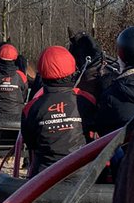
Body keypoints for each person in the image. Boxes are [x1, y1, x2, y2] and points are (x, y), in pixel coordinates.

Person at [21, 46, 86, 176]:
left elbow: (30, 143)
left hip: (44, 177)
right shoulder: (85, 100)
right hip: (82, 174)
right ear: (72, 69)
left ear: (41, 72)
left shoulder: (31, 107)